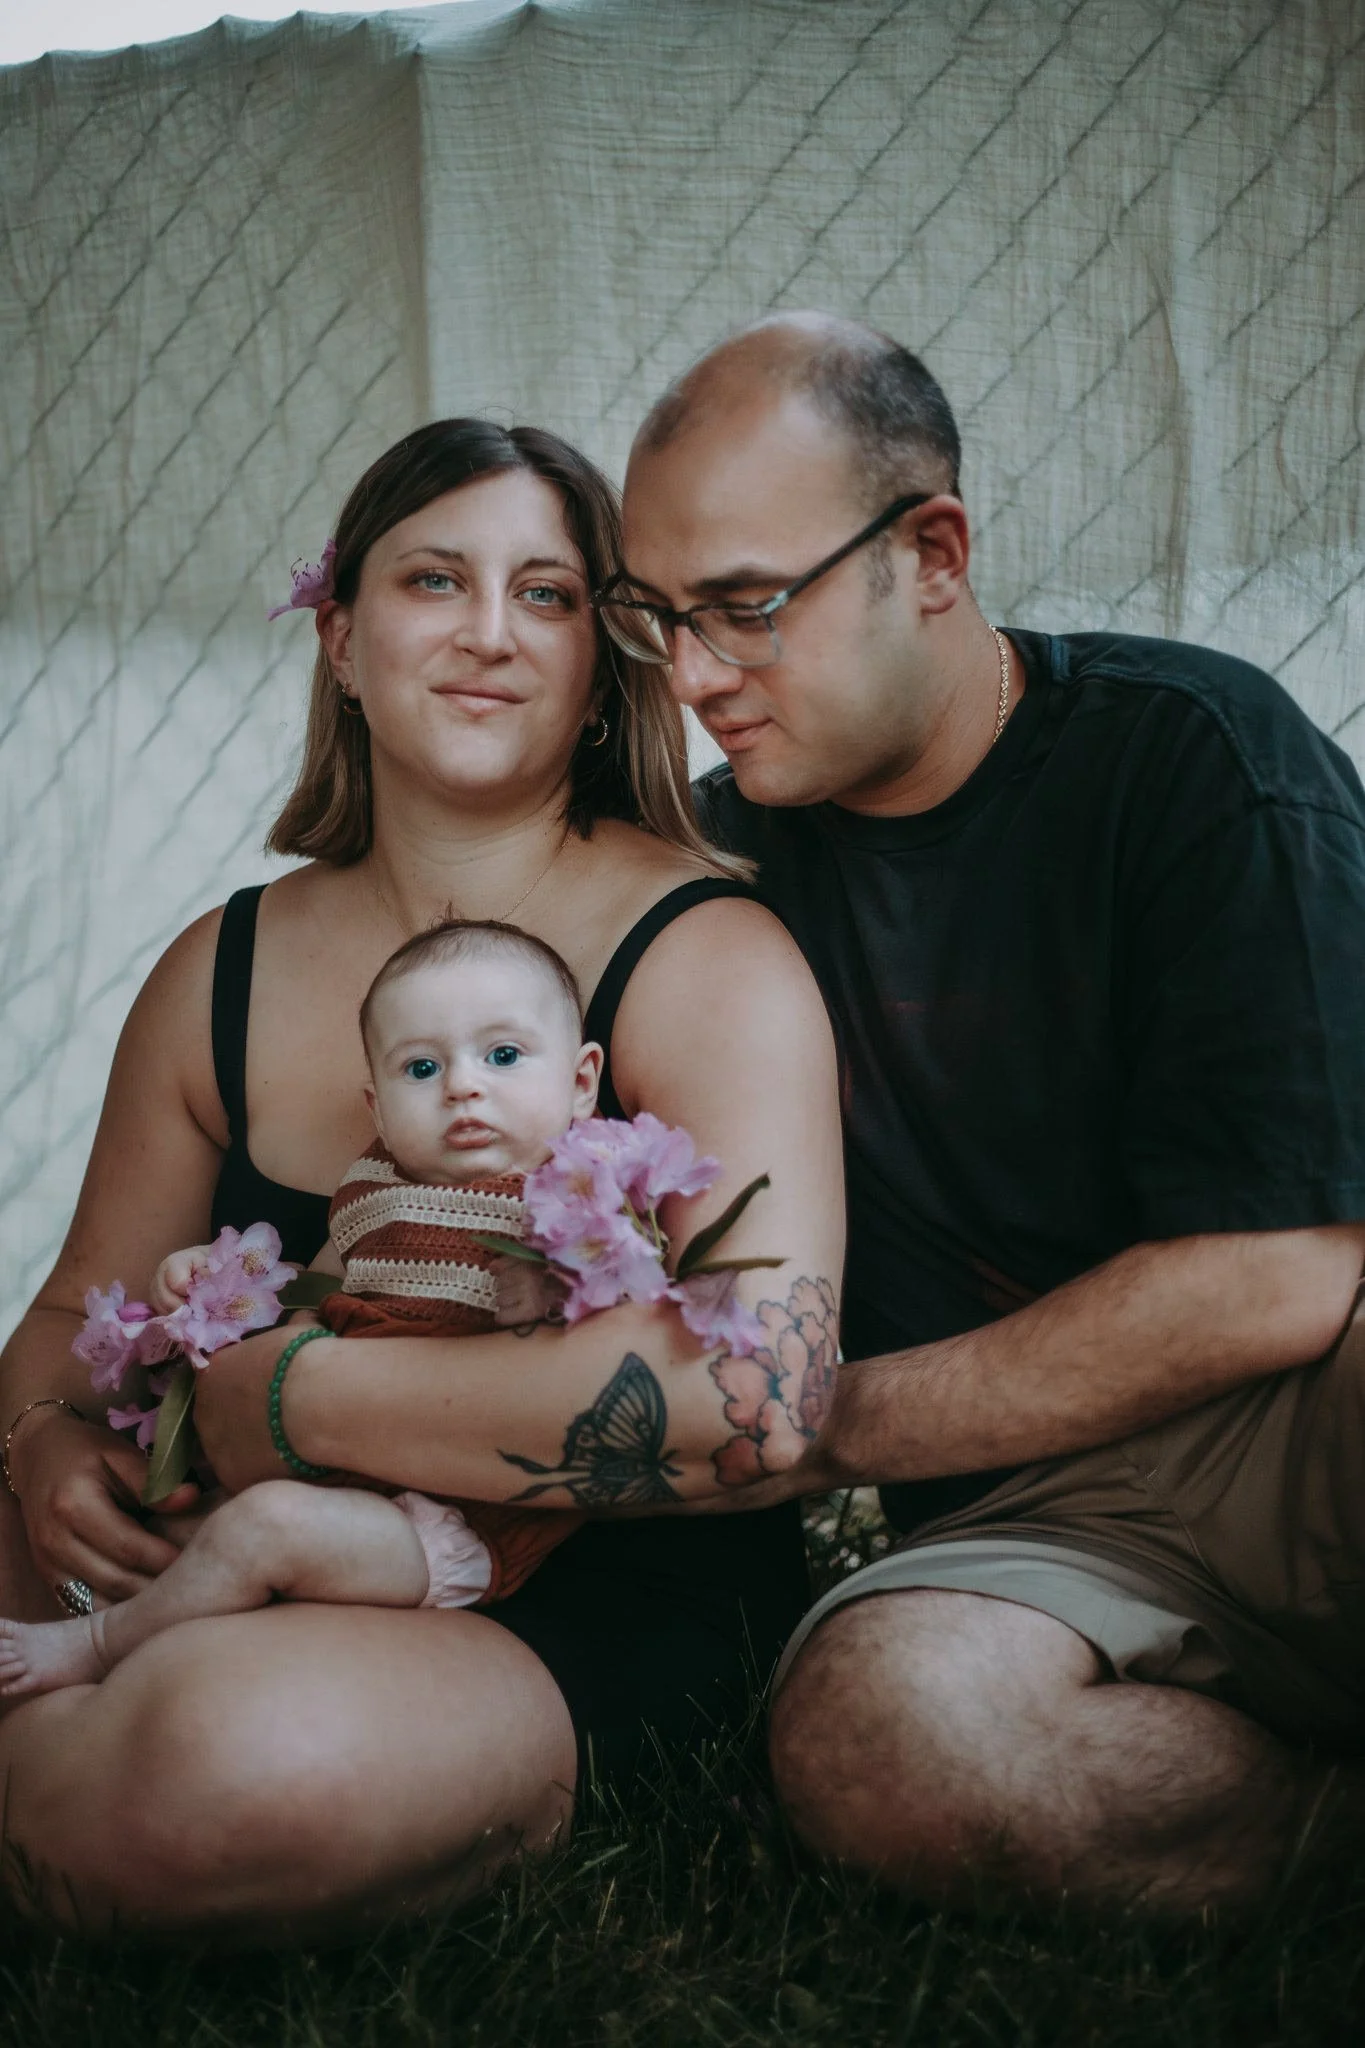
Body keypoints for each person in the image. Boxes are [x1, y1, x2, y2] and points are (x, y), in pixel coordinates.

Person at [0, 418, 845, 1940]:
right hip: (227, 1549)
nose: (485, 634)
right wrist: (50, 1443)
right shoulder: (222, 967)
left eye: (546, 595)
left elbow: (745, 1394)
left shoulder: (708, 954)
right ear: (339, 636)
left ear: (607, 659)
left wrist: (286, 1398)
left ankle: (97, 1765)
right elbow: (75, 1307)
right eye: (433, 579)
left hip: (549, 1603)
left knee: (219, 1766)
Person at [605, 311, 1365, 1915]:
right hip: (1039, 1524)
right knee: (883, 1740)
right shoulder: (706, 889)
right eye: (652, 618)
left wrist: (814, 1427)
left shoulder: (1196, 757)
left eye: (745, 607)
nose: (690, 678)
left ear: (932, 550)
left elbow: (1280, 1277)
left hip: (1314, 1422)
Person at [0, 916, 615, 1698]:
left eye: (502, 1056)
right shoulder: (373, 1195)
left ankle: (97, 1645)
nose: (463, 1085)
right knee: (180, 1526)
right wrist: (212, 1286)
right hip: (333, 1473)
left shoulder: (575, 1203)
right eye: (421, 1068)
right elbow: (312, 1298)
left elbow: (592, 1364)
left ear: (581, 1081)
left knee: (262, 1532)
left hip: (452, 1515)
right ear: (378, 1105)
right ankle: (138, 1677)